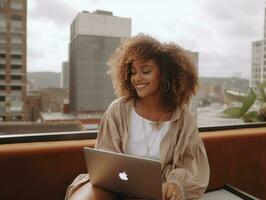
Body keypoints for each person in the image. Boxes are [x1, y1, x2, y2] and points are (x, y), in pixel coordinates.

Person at [65, 34, 210, 200]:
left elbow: (191, 166)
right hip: (114, 187)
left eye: (146, 71)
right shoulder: (117, 109)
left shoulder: (184, 118)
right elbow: (105, 156)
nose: (137, 78)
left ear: (165, 74)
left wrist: (175, 185)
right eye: (133, 72)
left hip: (159, 192)